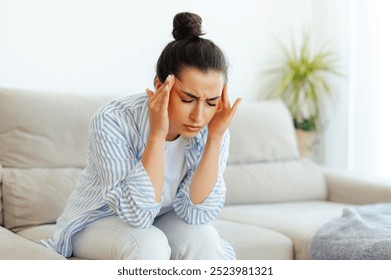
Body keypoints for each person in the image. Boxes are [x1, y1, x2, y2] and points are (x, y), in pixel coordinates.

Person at [42, 11, 241, 260]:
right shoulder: (113, 119)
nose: (199, 116)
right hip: (99, 220)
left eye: (211, 102)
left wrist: (215, 139)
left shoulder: (214, 126)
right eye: (187, 99)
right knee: (148, 243)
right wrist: (157, 135)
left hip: (163, 218)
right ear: (161, 86)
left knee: (206, 239)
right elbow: (138, 215)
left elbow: (196, 215)